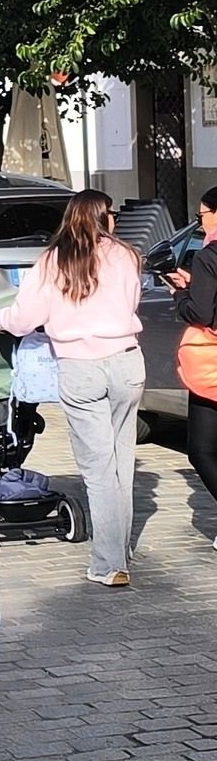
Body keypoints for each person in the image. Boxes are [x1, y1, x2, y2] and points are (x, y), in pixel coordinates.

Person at [0, 189, 143, 588]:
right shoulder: (127, 255)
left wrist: (0, 320)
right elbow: (131, 303)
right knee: (120, 463)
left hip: (81, 366)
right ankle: (120, 548)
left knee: (98, 472)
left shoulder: (52, 260)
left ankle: (109, 563)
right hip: (128, 361)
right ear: (104, 218)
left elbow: (25, 317)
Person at [163, 187, 217, 532]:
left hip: (212, 365)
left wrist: (181, 293)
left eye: (201, 216)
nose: (200, 224)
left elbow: (200, 311)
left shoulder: (209, 255)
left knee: (201, 448)